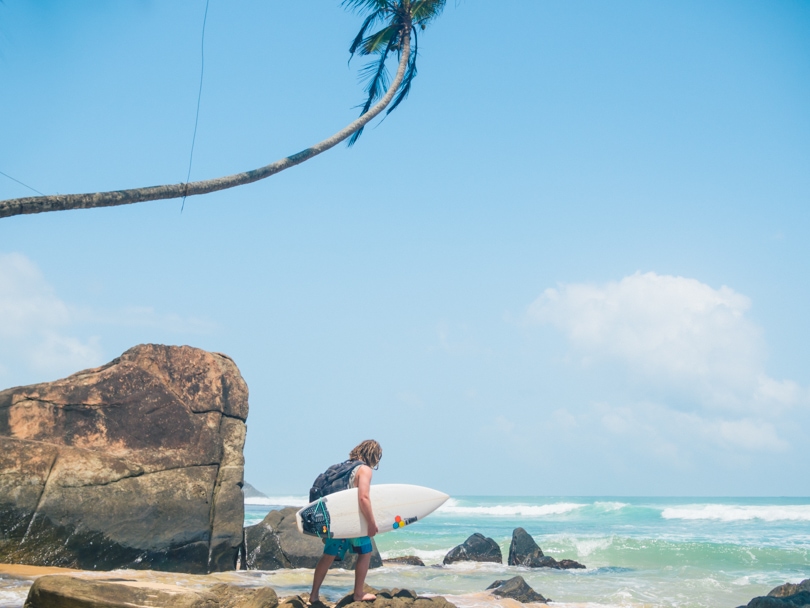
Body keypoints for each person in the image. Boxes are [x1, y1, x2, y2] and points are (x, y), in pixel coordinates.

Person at [309, 439, 382, 604]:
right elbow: (363, 498)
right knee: (365, 552)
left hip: (334, 521)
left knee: (328, 556)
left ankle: (313, 596)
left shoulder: (338, 468)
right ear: (374, 456)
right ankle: (358, 593)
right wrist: (371, 523)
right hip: (352, 522)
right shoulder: (364, 470)